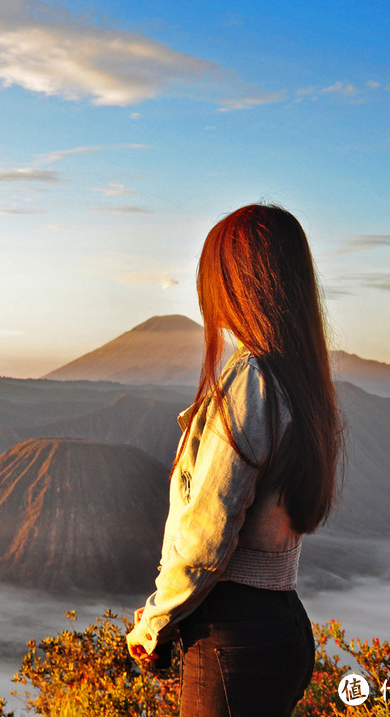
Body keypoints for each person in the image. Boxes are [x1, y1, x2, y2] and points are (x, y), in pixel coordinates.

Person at [125, 204, 342, 716]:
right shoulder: (302, 381)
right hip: (283, 623)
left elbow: (209, 528)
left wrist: (155, 620)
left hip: (232, 635)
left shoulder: (252, 378)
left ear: (237, 282)